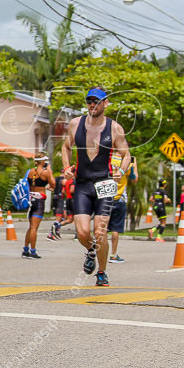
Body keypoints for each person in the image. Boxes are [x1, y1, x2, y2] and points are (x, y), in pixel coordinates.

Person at [60, 86, 131, 287]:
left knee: (100, 232)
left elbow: (126, 155)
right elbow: (65, 147)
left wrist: (121, 171)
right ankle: (91, 251)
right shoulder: (75, 124)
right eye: (89, 101)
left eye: (97, 101)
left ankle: (101, 272)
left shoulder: (115, 128)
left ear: (105, 103)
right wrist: (66, 167)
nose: (92, 105)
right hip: (82, 183)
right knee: (82, 232)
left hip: (105, 183)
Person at [22, 154, 54, 259]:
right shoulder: (45, 173)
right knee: (34, 228)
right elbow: (53, 184)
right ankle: (33, 251)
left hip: (31, 199)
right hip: (39, 200)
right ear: (43, 162)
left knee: (31, 227)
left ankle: (25, 250)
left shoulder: (30, 172)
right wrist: (49, 170)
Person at [108, 156, 138, 263]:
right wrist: (135, 165)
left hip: (105, 198)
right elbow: (135, 179)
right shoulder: (127, 164)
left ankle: (96, 253)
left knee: (101, 228)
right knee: (115, 228)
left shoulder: (108, 159)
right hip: (119, 198)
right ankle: (113, 254)